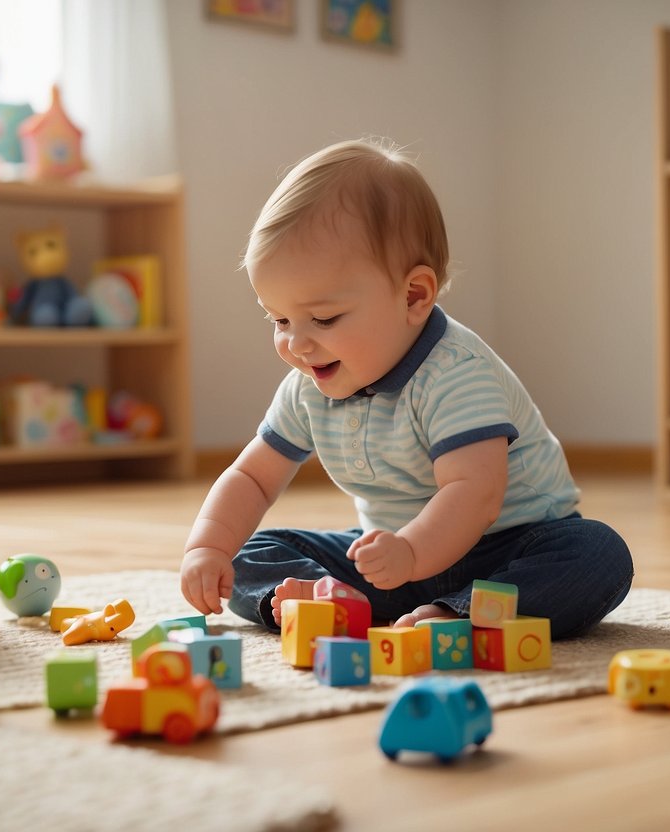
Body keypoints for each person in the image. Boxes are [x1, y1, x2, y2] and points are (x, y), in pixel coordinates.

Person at [180, 138, 633, 638]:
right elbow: (254, 478)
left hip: (507, 547)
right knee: (250, 553)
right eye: (280, 318)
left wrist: (414, 552)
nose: (296, 344)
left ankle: (457, 613)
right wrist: (208, 548)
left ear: (414, 295)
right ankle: (333, 601)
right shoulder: (306, 388)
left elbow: (474, 493)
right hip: (392, 558)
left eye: (324, 318)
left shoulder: (455, 372)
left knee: (598, 554)